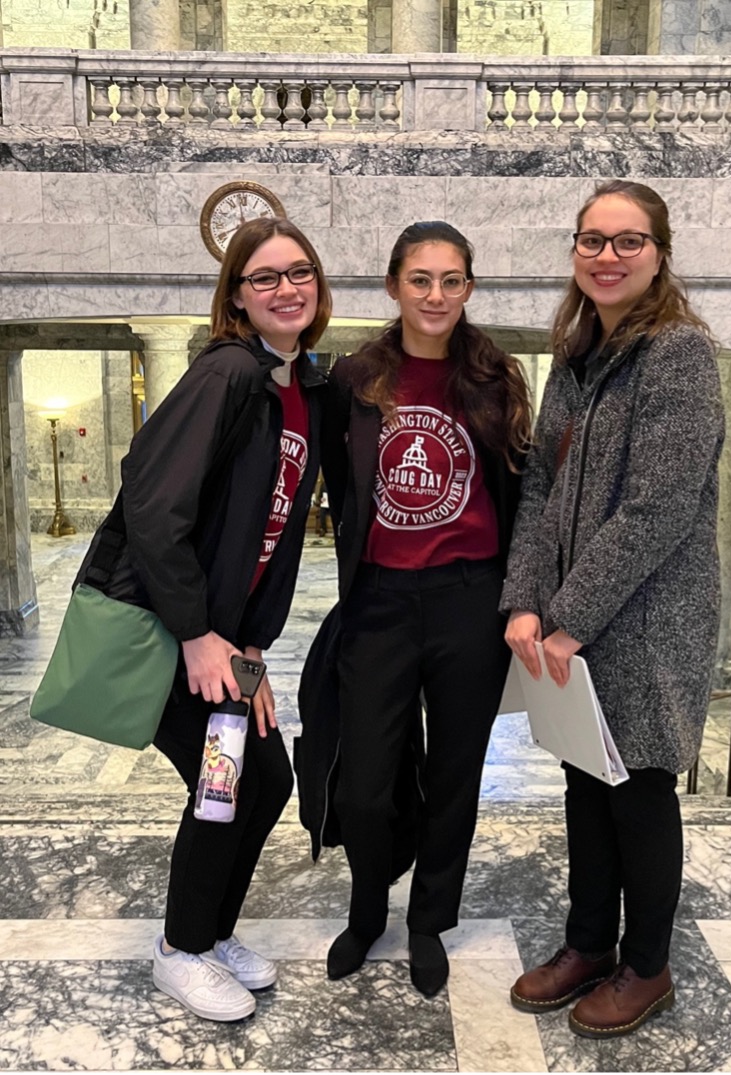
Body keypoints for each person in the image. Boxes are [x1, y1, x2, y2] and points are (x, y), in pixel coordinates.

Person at [76, 217, 331, 1021]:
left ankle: (211, 934)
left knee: (268, 777)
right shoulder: (227, 374)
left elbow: (267, 528)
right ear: (238, 298)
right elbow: (151, 504)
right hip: (171, 628)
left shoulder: (300, 388)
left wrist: (247, 642)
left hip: (230, 636)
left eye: (300, 273)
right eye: (265, 278)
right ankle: (180, 948)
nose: (286, 288)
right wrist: (195, 634)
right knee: (226, 786)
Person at [501, 180, 724, 1038]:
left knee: (639, 788)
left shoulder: (678, 353)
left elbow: (656, 508)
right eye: (592, 240)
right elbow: (542, 488)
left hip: (651, 615)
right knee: (584, 778)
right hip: (571, 614)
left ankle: (647, 963)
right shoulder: (575, 354)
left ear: (660, 252)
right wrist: (524, 599)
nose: (607, 255)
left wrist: (570, 614)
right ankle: (588, 942)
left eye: (628, 241)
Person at [321, 220, 532, 997]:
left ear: (469, 288)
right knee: (366, 782)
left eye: (451, 280)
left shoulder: (497, 375)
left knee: (454, 772)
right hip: (378, 597)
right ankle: (369, 903)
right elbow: (340, 489)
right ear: (393, 285)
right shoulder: (354, 377)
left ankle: (427, 919)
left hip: (468, 600)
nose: (435, 294)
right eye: (420, 279)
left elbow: (520, 493)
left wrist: (524, 599)